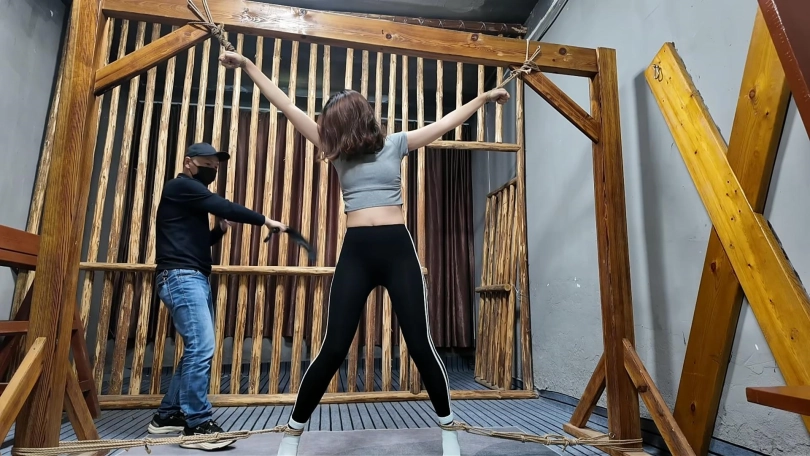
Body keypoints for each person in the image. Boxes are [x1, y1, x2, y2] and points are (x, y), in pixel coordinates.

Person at [219, 50, 509, 456]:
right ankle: (292, 434)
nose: (327, 129)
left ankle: (448, 430)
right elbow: (285, 105)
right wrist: (249, 66)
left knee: (420, 344)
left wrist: (483, 98)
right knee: (333, 347)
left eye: (334, 122)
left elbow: (445, 123)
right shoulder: (333, 148)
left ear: (353, 120)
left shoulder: (396, 144)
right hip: (356, 253)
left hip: (397, 251)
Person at [147, 142, 287, 450]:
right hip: (181, 276)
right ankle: (196, 426)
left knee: (196, 349)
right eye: (207, 164)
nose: (212, 169)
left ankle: (167, 416)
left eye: (215, 166)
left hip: (191, 275)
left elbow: (197, 241)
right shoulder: (181, 186)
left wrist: (219, 232)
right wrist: (265, 220)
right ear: (189, 162)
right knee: (201, 348)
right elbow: (224, 206)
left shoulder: (188, 198)